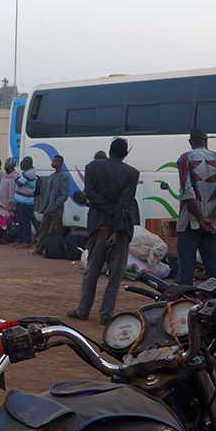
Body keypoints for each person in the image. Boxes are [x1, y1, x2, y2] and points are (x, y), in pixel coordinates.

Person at [69, 138, 140, 324]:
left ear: (109, 151)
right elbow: (125, 202)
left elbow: (89, 194)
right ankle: (106, 314)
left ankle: (83, 310)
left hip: (99, 223)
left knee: (92, 269)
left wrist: (106, 209)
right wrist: (116, 219)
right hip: (122, 226)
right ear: (126, 154)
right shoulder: (132, 173)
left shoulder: (92, 167)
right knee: (116, 273)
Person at [175, 129, 216, 284]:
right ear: (206, 140)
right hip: (215, 225)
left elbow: (187, 191)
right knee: (213, 275)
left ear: (190, 142)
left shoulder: (185, 158)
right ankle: (213, 304)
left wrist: (201, 219)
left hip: (188, 223)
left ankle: (185, 303)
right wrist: (211, 218)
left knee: (186, 271)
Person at [33, 155, 72, 256]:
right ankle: (38, 250)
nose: (52, 163)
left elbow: (65, 194)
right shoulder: (51, 176)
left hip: (56, 209)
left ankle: (58, 251)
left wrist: (56, 204)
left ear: (60, 163)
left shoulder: (64, 177)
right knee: (43, 229)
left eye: (55, 161)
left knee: (58, 231)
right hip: (47, 208)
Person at [14, 156, 39, 246]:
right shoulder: (26, 172)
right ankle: (20, 239)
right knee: (21, 220)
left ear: (29, 163)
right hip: (21, 200)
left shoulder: (30, 173)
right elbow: (17, 180)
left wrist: (17, 180)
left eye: (24, 162)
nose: (22, 164)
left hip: (26, 201)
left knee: (25, 221)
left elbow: (19, 183)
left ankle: (26, 241)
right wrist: (17, 179)